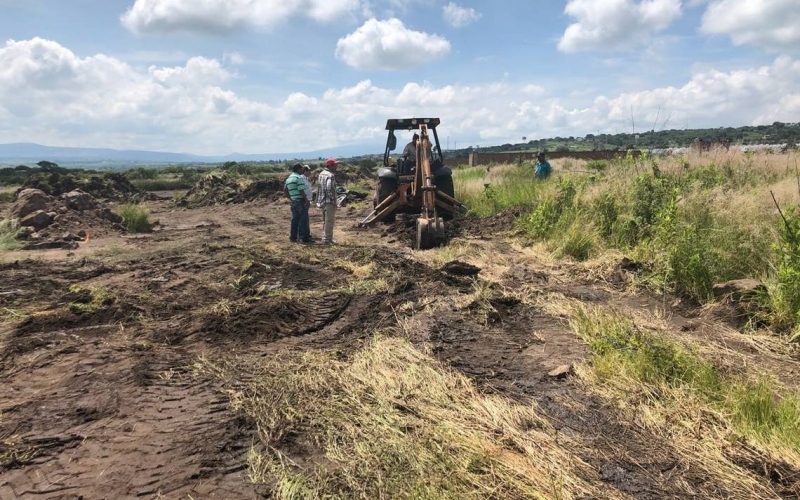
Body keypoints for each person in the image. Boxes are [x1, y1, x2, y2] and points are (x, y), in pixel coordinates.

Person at [283, 163, 311, 243]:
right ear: (298, 169)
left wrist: (291, 198)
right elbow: (301, 190)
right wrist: (306, 200)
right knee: (303, 220)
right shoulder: (298, 178)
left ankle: (293, 237)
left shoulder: (289, 178)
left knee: (295, 220)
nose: (303, 170)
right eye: (302, 168)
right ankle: (304, 238)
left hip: (294, 201)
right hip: (300, 201)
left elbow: (285, 190)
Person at [316, 158, 338, 245]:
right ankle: (327, 240)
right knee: (329, 221)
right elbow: (329, 188)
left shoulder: (321, 174)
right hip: (329, 201)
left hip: (322, 201)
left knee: (325, 221)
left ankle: (325, 237)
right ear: (330, 165)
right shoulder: (330, 175)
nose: (337, 167)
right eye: (335, 165)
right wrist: (333, 199)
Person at [301, 165, 314, 240]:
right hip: (304, 201)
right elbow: (302, 190)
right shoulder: (302, 179)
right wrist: (306, 200)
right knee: (304, 218)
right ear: (305, 171)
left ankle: (306, 234)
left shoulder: (306, 179)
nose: (310, 172)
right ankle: (304, 235)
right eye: (309, 171)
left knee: (306, 217)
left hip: (307, 200)